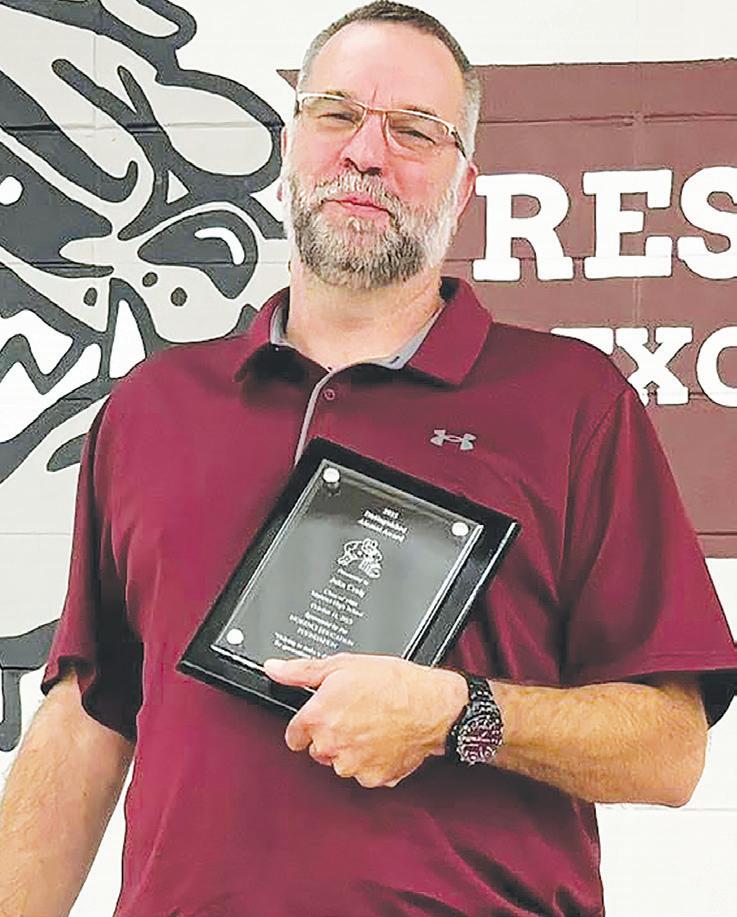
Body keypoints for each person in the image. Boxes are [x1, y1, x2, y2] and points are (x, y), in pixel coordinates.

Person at [1, 3, 735, 915]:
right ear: (290, 147)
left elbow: (668, 748)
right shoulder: (152, 407)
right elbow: (86, 717)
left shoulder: (572, 401)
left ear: (463, 186)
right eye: (337, 114)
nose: (365, 152)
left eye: (414, 129)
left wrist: (458, 714)